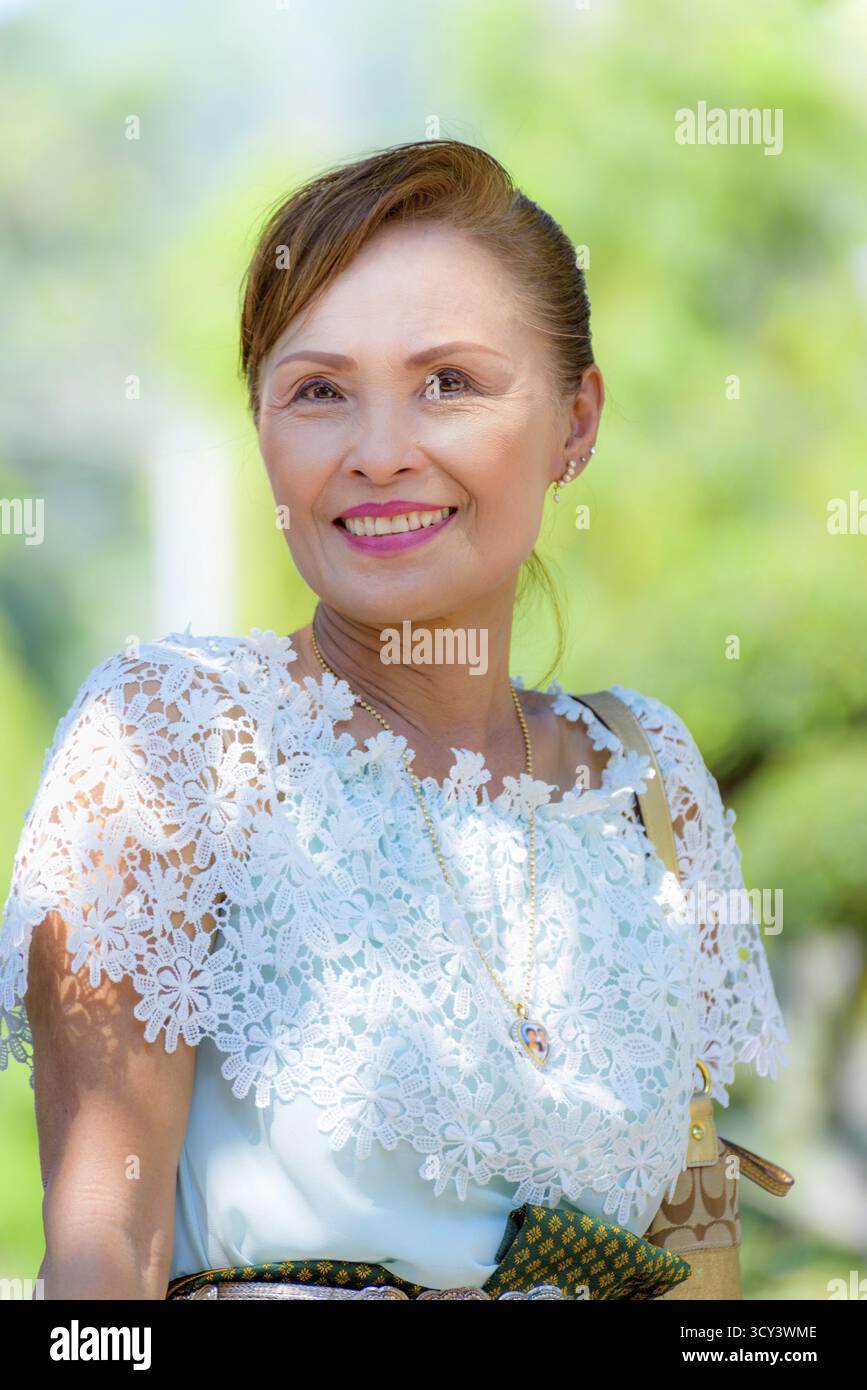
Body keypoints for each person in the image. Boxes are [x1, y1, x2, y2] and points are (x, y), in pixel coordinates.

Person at [0, 139, 788, 1301]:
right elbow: (98, 1263)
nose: (378, 455)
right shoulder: (172, 741)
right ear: (263, 427)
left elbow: (694, 1261)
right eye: (319, 390)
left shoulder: (650, 779)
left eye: (450, 384)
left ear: (578, 421)